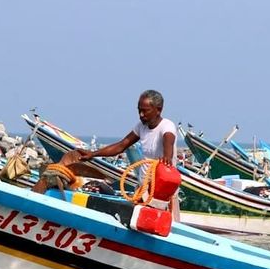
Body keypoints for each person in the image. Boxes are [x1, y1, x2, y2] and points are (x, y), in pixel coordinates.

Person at [41, 90, 179, 215]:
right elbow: (121, 145)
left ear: (158, 110)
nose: (141, 115)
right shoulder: (141, 127)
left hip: (161, 193)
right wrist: (93, 154)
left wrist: (167, 157)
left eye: (145, 111)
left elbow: (168, 139)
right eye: (139, 111)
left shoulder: (167, 126)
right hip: (143, 189)